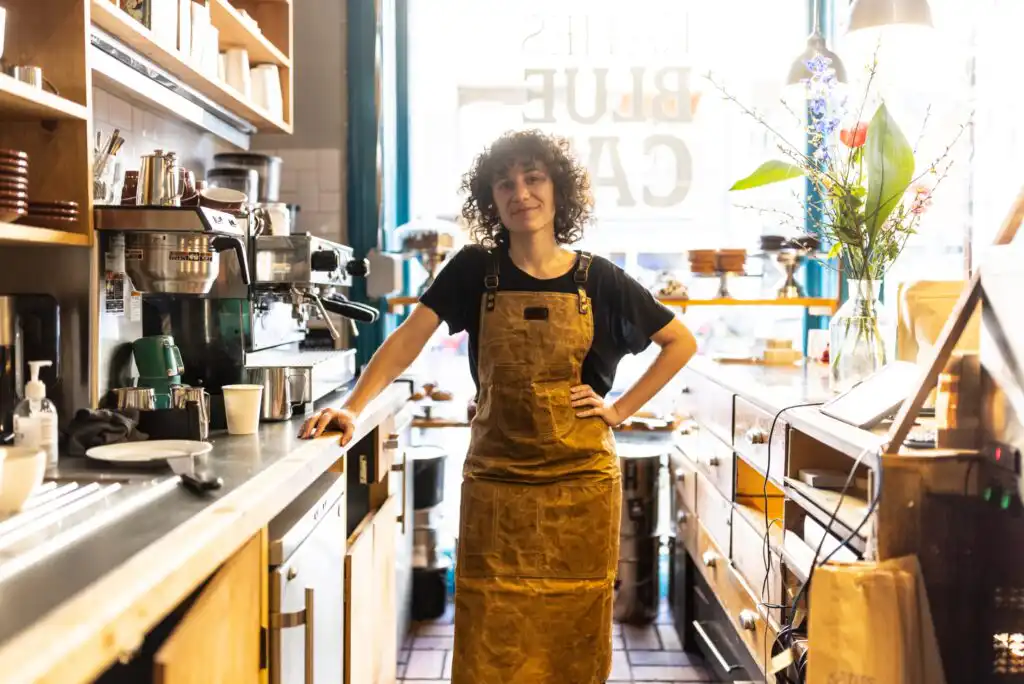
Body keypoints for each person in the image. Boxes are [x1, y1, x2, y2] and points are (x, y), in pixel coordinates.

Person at [300, 129, 697, 683]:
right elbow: (407, 340)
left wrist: (619, 409)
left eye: (533, 178)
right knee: (490, 629)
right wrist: (353, 404)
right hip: (497, 483)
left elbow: (680, 342)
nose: (521, 193)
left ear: (559, 189)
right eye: (505, 183)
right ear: (491, 198)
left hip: (579, 484)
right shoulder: (473, 270)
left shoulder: (597, 278)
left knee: (573, 633)